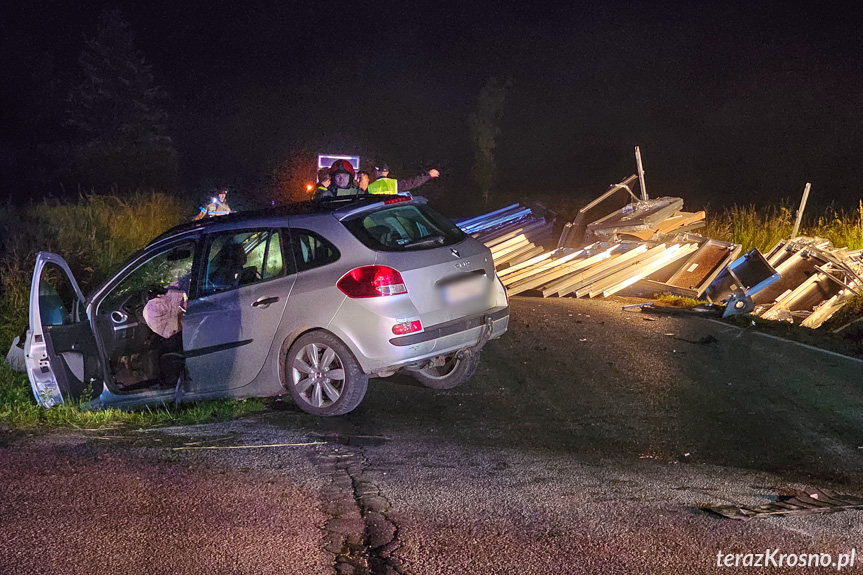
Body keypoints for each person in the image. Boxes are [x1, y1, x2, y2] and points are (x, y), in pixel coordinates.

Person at [367, 162, 440, 195]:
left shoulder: (370, 187)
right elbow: (413, 182)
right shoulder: (394, 183)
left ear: (377, 172)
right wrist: (428, 175)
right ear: (387, 172)